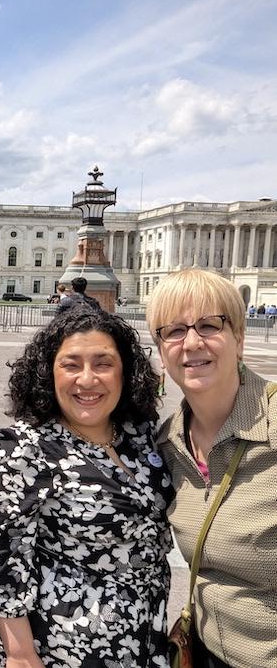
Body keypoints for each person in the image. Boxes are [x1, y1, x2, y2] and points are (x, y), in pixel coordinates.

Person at [0, 305, 170, 668]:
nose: (87, 380)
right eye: (71, 365)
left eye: (103, 363)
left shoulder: (141, 437)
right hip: (52, 644)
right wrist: (20, 654)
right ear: (48, 374)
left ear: (125, 372)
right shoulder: (25, 446)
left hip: (139, 635)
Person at [146, 268, 277, 668]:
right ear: (161, 349)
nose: (192, 343)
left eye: (209, 325)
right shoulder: (167, 444)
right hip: (203, 652)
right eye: (174, 330)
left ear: (239, 338)